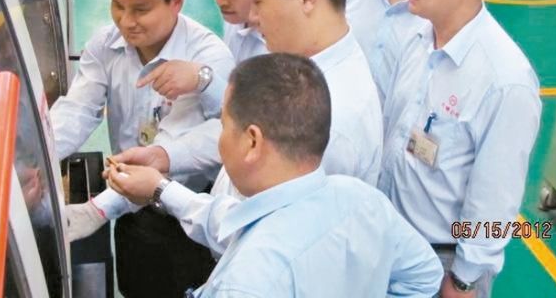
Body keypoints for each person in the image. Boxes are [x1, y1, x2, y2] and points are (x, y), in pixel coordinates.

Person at [110, 0, 384, 256]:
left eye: (258, 1)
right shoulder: (303, 73)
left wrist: (162, 191)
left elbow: (258, 234)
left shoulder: (333, 120)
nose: (251, 18)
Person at [107, 53, 444, 298]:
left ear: (252, 141)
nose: (221, 139)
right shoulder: (362, 201)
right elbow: (424, 277)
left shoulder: (248, 280)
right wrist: (161, 189)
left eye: (224, 126)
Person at [52, 0, 235, 297]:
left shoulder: (206, 56)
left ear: (177, 1)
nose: (126, 21)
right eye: (118, 6)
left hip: (190, 215)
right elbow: (79, 108)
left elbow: (208, 136)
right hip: (133, 212)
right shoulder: (106, 45)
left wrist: (97, 210)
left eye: (141, 9)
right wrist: (35, 155)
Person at [379, 0, 541, 297]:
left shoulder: (505, 81)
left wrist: (465, 278)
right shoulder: (418, 35)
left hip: (443, 263)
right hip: (390, 238)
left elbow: (496, 200)